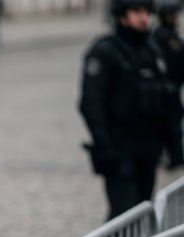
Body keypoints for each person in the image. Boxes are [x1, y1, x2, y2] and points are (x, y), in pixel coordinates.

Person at [79, 0, 180, 220]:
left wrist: (174, 144)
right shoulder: (105, 52)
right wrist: (106, 146)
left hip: (149, 148)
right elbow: (90, 104)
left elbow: (167, 98)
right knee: (123, 218)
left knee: (144, 213)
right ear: (122, 15)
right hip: (120, 150)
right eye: (136, 12)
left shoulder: (151, 49)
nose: (144, 18)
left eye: (146, 12)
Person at [152, 0, 184, 168]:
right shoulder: (162, 36)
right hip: (167, 89)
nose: (176, 18)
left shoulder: (171, 34)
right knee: (170, 125)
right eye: (174, 15)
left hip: (173, 86)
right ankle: (175, 157)